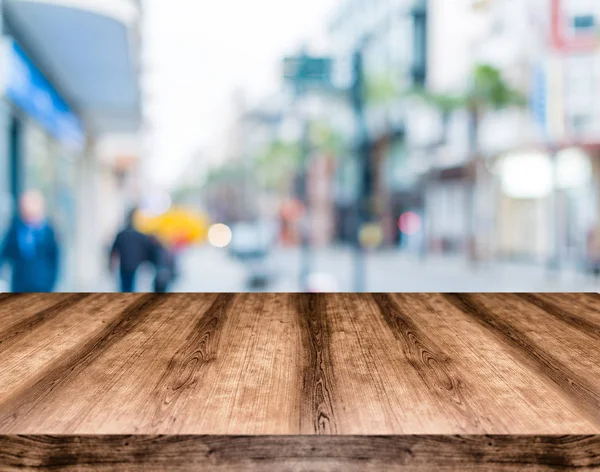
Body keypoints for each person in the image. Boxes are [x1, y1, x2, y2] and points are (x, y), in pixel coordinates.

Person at [0, 190, 59, 292]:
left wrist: (51, 282)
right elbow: (5, 253)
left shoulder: (48, 231)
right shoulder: (16, 229)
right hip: (20, 284)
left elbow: (54, 258)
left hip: (42, 285)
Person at [110, 208, 154, 292]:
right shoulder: (140, 236)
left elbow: (114, 251)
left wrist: (111, 265)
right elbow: (148, 250)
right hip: (135, 266)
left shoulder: (121, 234)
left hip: (125, 266)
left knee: (125, 287)